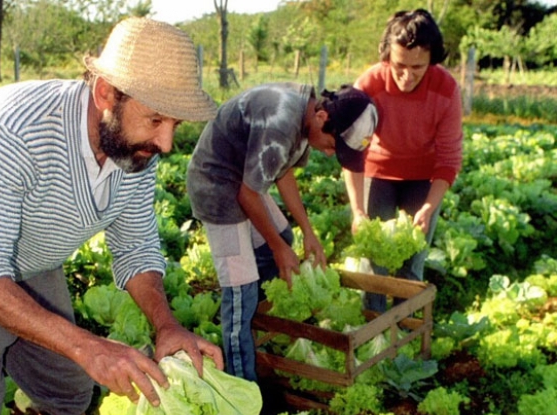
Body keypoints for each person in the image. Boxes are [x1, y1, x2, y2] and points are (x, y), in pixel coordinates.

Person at [0, 17, 224, 415]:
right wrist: (90, 348)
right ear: (106, 93)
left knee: (66, 388)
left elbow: (136, 247)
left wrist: (166, 326)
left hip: (36, 260)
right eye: (155, 120)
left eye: (175, 125)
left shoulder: (136, 151)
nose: (165, 143)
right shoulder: (13, 130)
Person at [186, 83, 378, 382]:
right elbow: (248, 195)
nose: (330, 154)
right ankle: (243, 386)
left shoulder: (306, 116)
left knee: (285, 240)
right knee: (241, 291)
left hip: (244, 180)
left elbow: (283, 172)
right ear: (323, 117)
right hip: (217, 185)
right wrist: (277, 248)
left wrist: (308, 233)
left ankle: (257, 318)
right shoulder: (283, 121)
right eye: (332, 145)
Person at [348, 9, 463, 312]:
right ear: (387, 56)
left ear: (432, 61)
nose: (407, 76)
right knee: (374, 264)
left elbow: (449, 159)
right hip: (378, 171)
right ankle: (373, 334)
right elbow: (353, 152)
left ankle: (405, 334)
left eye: (418, 67)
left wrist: (428, 207)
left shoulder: (446, 89)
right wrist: (358, 212)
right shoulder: (368, 85)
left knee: (412, 264)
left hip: (423, 178)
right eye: (399, 65)